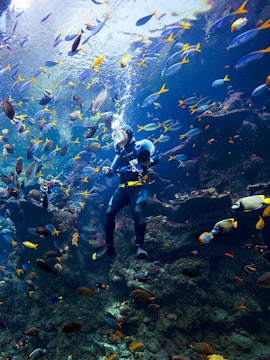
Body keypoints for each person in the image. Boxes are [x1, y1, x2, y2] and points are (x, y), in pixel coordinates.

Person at [94, 124, 159, 259]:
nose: (119, 139)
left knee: (138, 213)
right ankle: (109, 247)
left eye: (121, 135)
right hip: (123, 188)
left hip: (138, 187)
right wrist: (106, 171)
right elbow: (111, 172)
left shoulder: (142, 145)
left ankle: (139, 248)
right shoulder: (121, 153)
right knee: (109, 212)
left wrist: (148, 162)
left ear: (128, 134)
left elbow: (155, 157)